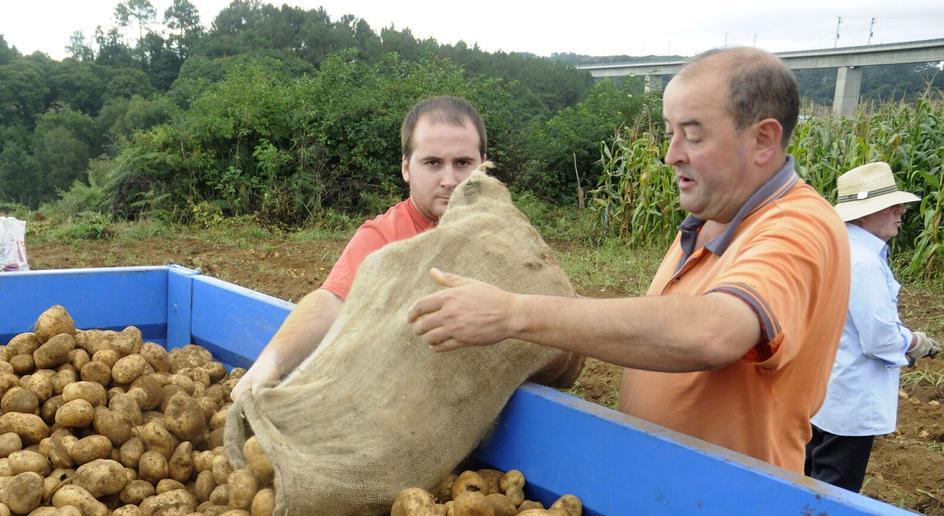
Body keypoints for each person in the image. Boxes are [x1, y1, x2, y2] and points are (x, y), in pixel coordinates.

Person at [407, 47, 850, 473]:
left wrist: (514, 313)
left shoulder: (799, 226)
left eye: (693, 135)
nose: (671, 154)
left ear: (763, 140)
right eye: (670, 132)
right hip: (661, 493)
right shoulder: (706, 221)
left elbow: (714, 331)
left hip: (729, 510)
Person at [231, 96, 486, 400]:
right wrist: (271, 361)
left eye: (462, 163)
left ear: (483, 166)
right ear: (406, 167)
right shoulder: (385, 236)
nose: (449, 180)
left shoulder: (505, 237)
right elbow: (332, 302)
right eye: (432, 163)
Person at [805, 162, 940, 492]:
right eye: (891, 206)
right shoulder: (864, 263)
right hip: (851, 402)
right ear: (863, 215)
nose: (902, 211)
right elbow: (879, 338)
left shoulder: (838, 248)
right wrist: (914, 341)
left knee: (808, 482)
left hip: (824, 391)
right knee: (835, 496)